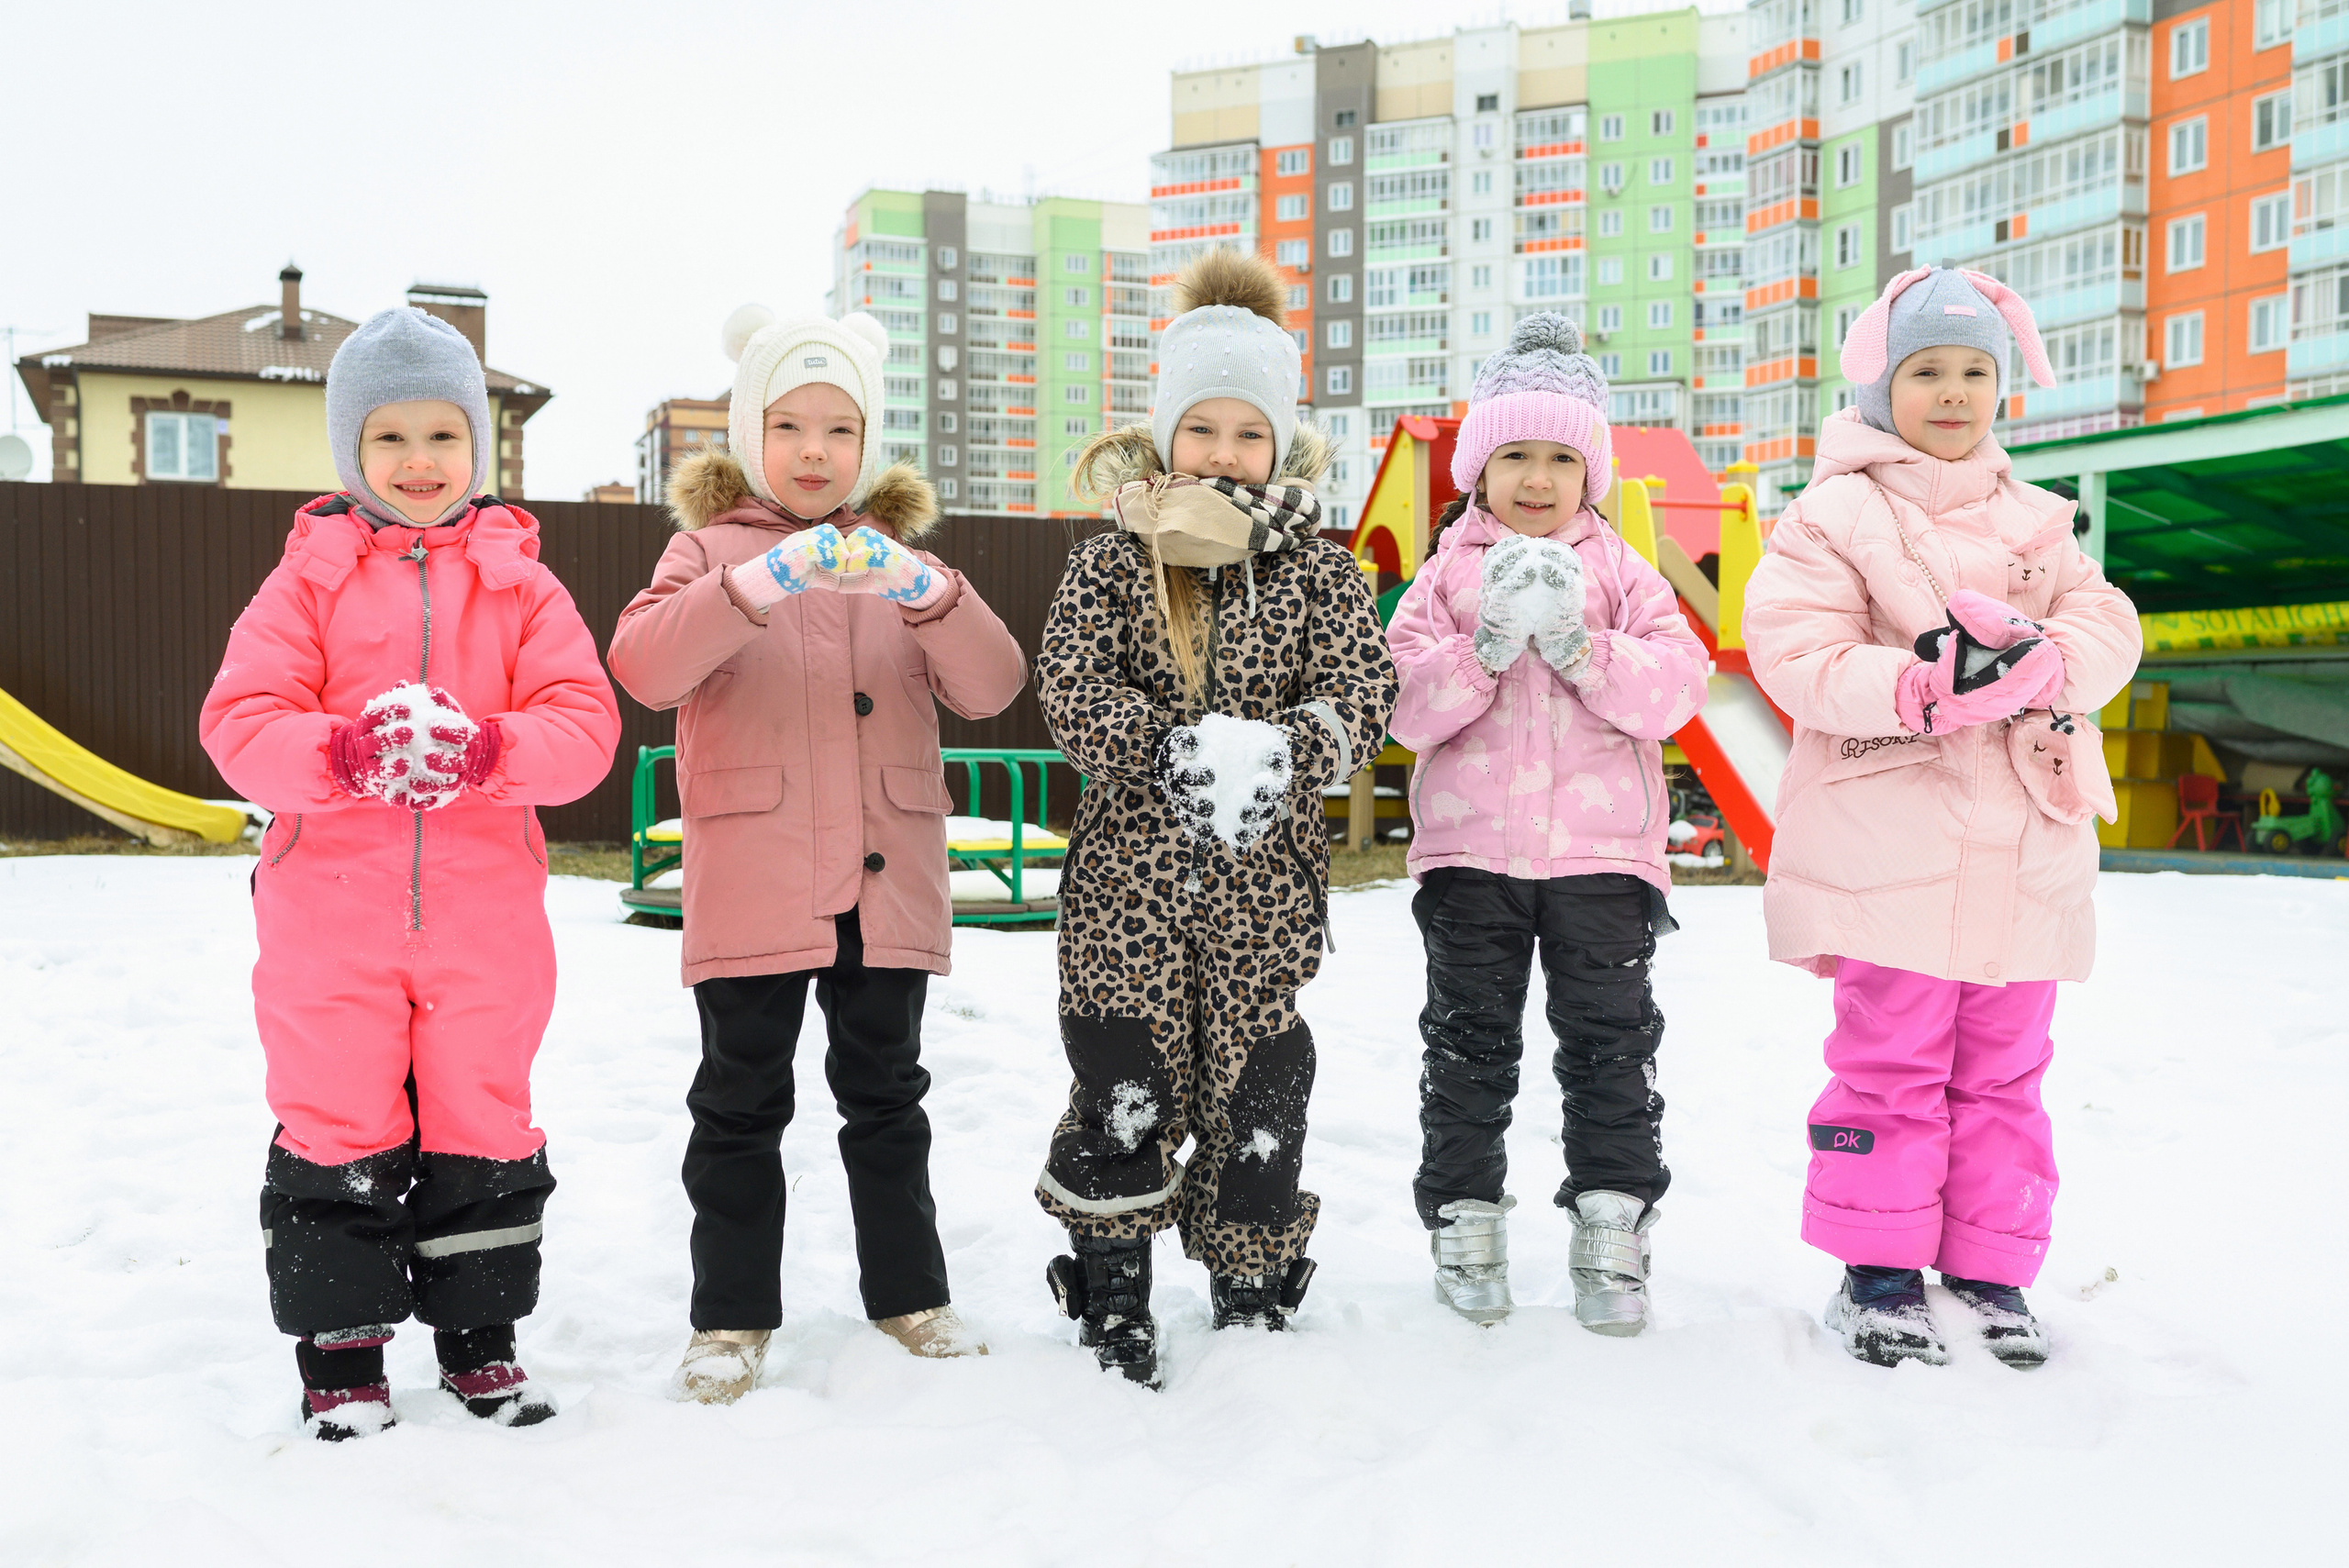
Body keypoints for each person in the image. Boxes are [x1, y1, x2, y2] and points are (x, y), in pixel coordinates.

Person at [200, 307, 621, 1440]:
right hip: (328, 918)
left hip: (485, 920)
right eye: (389, 438)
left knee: (483, 1115)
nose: (420, 461)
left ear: (478, 446)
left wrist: (490, 752)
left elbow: (585, 728)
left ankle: (479, 1341)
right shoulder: (307, 585)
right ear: (350, 452)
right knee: (336, 1115)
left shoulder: (522, 587)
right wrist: (337, 752)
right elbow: (238, 722)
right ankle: (342, 1349)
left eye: (443, 434)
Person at [607, 305, 1027, 1404]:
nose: (811, 451)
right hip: (759, 879)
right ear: (750, 434)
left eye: (838, 430)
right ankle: (730, 1317)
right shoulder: (705, 553)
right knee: (739, 1102)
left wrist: (929, 595)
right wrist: (757, 584)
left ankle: (910, 1293)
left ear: (867, 443)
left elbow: (992, 684)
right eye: (788, 425)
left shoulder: (906, 565)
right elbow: (646, 666)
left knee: (887, 1095)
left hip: (884, 885)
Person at [1742, 266, 2141, 1369]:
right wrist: (1924, 683)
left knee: (2007, 1070)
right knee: (1891, 1062)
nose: (1953, 391)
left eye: (1974, 371)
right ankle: (1875, 1265)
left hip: (2022, 839)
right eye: (1927, 370)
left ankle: (1990, 1263)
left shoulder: (2039, 518)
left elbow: (2109, 620)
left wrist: (2053, 657)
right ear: (1879, 384)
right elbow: (1793, 649)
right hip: (1892, 844)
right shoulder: (1833, 515)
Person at [1030, 249, 1397, 1385]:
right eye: (1204, 431)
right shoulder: (1110, 565)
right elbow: (1070, 685)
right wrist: (1166, 745)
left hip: (1263, 896)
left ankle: (1248, 1274)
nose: (1225, 455)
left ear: (1279, 443)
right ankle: (1115, 1279)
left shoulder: (1322, 576)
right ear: (1165, 434)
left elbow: (1362, 690)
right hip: (1124, 898)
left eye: (1249, 433)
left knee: (1258, 1083)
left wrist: (1295, 749)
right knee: (1125, 1081)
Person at [1385, 314, 1709, 1334]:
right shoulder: (1444, 577)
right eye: (1513, 454)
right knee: (1468, 1045)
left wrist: (1579, 647)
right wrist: (1481, 648)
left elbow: (1674, 691)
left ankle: (1613, 1215)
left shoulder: (1624, 574)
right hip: (1471, 858)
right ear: (1478, 468)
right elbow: (1399, 707)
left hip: (1601, 861)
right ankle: (1465, 1211)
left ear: (1591, 472)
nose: (1536, 477)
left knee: (1610, 1045)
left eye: (1561, 457)